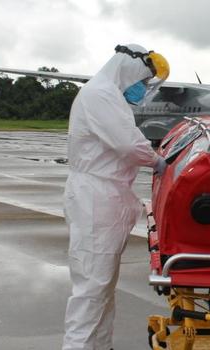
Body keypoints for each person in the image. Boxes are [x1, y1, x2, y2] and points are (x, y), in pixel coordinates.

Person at [62, 44, 169, 350]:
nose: (143, 89)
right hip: (96, 198)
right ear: (131, 69)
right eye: (144, 81)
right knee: (91, 288)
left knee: (102, 286)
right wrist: (158, 161)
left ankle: (100, 345)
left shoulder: (108, 94)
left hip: (105, 195)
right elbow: (127, 144)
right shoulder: (101, 94)